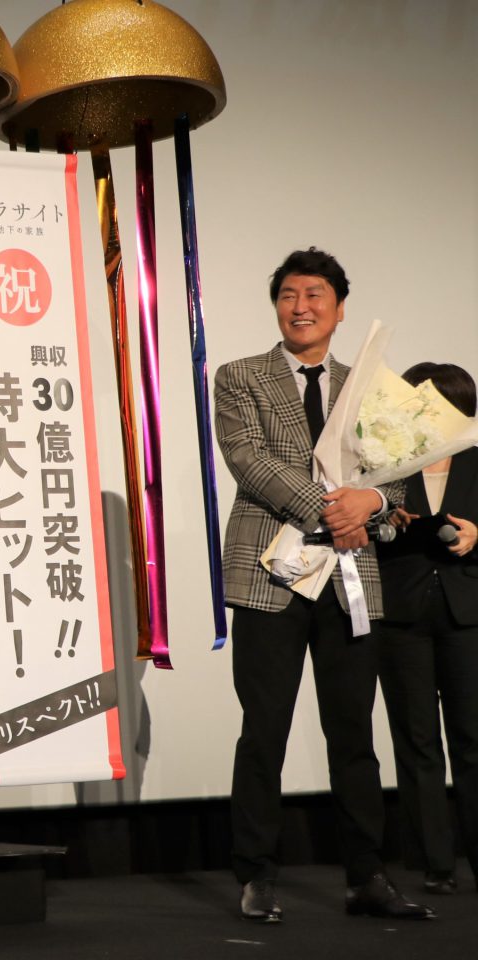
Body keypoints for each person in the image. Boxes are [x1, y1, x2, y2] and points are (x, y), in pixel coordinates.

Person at [214, 247, 432, 923]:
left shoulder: (370, 387)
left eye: (314, 295)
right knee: (264, 731)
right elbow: (250, 460)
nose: (300, 306)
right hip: (270, 576)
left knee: (354, 734)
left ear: (339, 310)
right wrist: (336, 508)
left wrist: (373, 503)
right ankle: (256, 874)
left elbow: (398, 478)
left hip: (349, 577)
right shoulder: (239, 376)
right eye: (288, 295)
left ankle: (367, 876)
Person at [375, 362, 478, 896]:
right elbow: (364, 528)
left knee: (472, 738)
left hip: (468, 614)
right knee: (417, 740)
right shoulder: (385, 464)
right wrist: (384, 522)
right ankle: (435, 863)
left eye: (446, 405)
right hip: (402, 613)